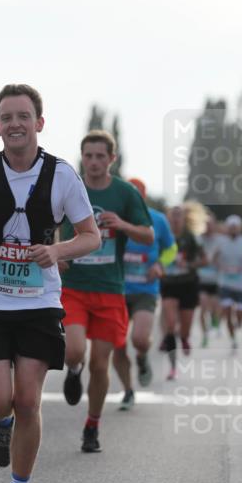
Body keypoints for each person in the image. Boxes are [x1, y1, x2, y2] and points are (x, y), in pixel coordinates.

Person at [0, 84, 100, 483]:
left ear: (39, 122)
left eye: (23, 116)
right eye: (6, 117)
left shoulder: (62, 175)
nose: (14, 124)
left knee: (28, 401)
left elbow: (92, 235)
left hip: (38, 302)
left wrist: (57, 251)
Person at [60, 145, 153, 448]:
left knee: (101, 364)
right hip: (73, 286)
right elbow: (49, 226)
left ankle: (92, 426)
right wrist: (56, 252)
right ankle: (74, 371)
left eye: (101, 156)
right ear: (82, 158)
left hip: (110, 290)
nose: (94, 162)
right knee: (74, 351)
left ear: (112, 159)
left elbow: (148, 235)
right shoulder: (69, 187)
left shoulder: (125, 193)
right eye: (89, 156)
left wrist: (123, 225)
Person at [111, 178, 176, 410]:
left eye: (136, 196)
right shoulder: (113, 219)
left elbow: (171, 248)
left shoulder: (157, 220)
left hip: (145, 291)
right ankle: (128, 390)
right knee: (117, 344)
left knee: (139, 338)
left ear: (142, 197)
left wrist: (160, 265)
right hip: (116, 290)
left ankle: (141, 357)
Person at [159, 203, 206, 379]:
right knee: (170, 325)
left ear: (184, 218)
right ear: (168, 218)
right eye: (173, 214)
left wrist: (188, 264)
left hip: (188, 284)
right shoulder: (163, 237)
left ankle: (185, 337)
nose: (176, 218)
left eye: (179, 215)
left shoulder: (191, 238)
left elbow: (205, 260)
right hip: (169, 284)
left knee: (183, 329)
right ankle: (172, 367)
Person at [213, 214, 242, 348]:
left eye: (235, 227)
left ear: (240, 228)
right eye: (231, 227)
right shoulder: (221, 242)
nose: (233, 229)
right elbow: (213, 260)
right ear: (227, 228)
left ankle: (237, 325)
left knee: (239, 317)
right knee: (227, 313)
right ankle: (233, 340)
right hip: (225, 283)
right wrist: (218, 263)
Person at [197, 211, 222, 347]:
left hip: (216, 280)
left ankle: (215, 321)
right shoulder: (198, 239)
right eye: (206, 224)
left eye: (210, 224)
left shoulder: (220, 240)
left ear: (214, 225)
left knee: (215, 307)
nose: (208, 226)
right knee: (203, 308)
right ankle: (204, 335)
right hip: (202, 280)